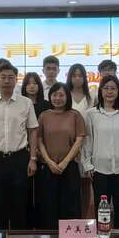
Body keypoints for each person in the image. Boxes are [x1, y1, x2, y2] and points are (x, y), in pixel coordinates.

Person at [0, 62, 39, 230]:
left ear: (16, 80)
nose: (6, 81)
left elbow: (33, 131)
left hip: (19, 158)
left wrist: (33, 159)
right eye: (3, 77)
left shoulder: (26, 102)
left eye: (10, 77)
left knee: (20, 201)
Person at [82, 76, 119, 230]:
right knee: (101, 208)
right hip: (99, 169)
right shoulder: (91, 114)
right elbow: (87, 141)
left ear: (118, 91)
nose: (109, 92)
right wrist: (87, 164)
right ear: (100, 91)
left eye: (113, 88)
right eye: (106, 88)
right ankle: (102, 237)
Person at [37, 83, 86, 227]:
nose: (57, 98)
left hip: (69, 167)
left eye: (61, 95)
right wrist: (48, 161)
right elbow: (39, 140)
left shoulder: (75, 115)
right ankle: (50, 237)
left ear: (67, 97)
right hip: (48, 167)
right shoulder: (44, 116)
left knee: (70, 205)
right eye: (54, 95)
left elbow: (79, 140)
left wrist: (65, 162)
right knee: (49, 205)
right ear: (50, 96)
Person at [22, 71, 51, 227]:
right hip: (22, 151)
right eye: (28, 83)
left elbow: (48, 129)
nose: (31, 86)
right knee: (25, 189)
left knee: (42, 189)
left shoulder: (46, 105)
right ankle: (27, 223)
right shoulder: (20, 104)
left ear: (39, 86)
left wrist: (40, 148)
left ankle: (41, 224)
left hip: (43, 152)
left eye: (34, 83)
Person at [66, 63, 94, 216]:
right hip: (68, 144)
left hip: (87, 143)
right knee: (70, 183)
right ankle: (71, 216)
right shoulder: (65, 94)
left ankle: (84, 217)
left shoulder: (92, 96)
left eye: (80, 75)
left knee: (86, 183)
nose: (77, 78)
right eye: (74, 75)